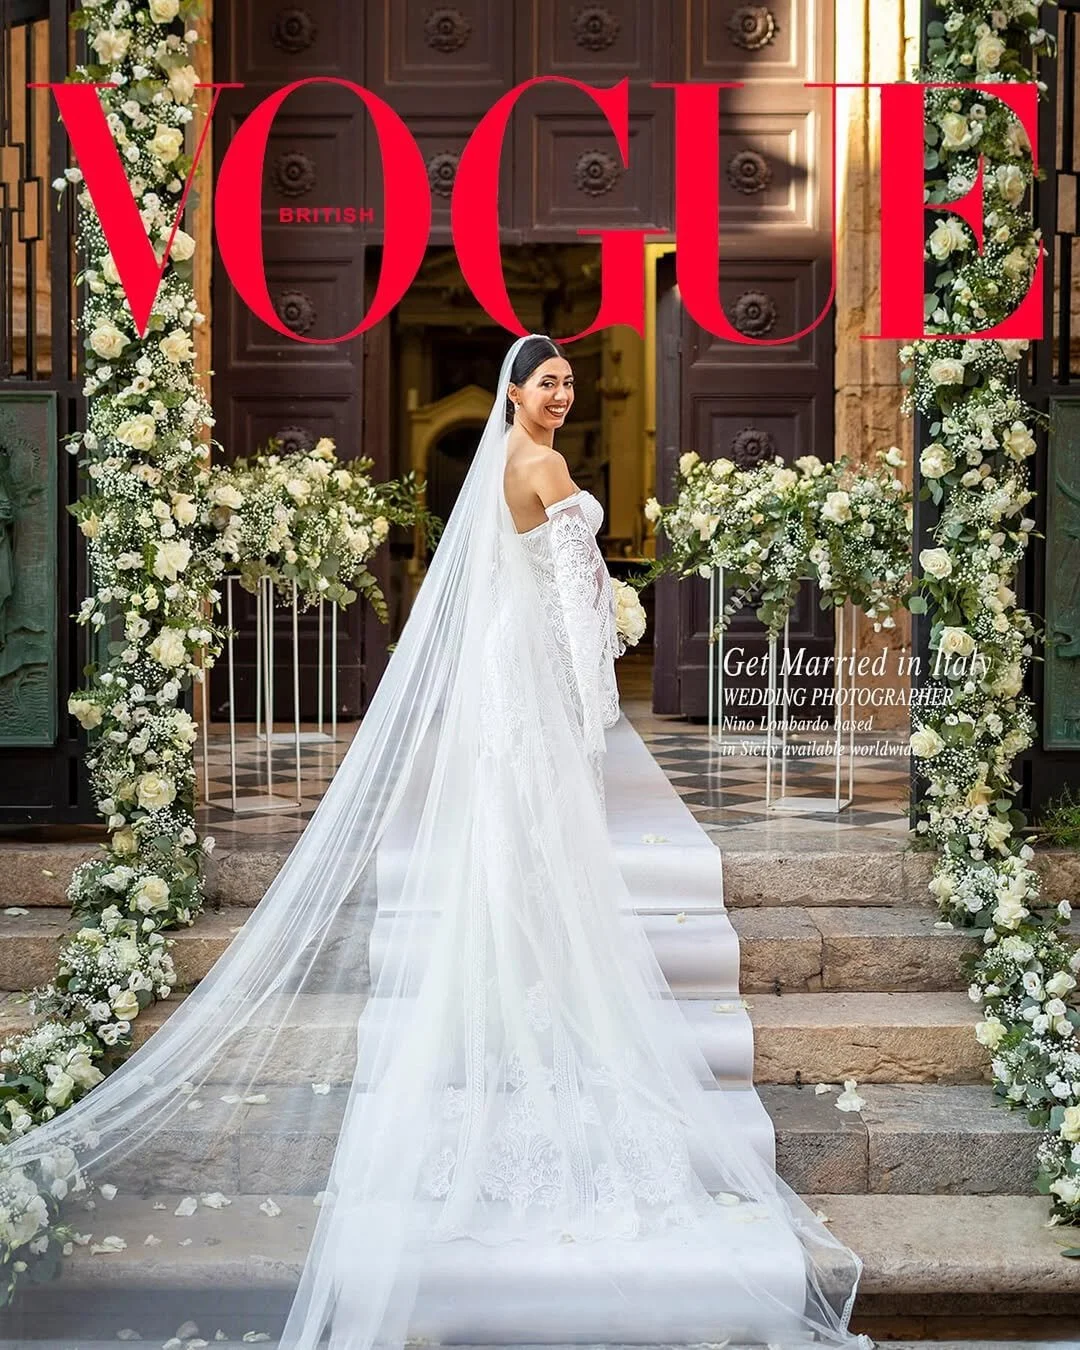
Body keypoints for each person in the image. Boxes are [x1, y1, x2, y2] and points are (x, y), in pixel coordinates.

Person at [0, 335, 866, 1349]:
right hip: (533, 661)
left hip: (510, 659)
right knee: (539, 824)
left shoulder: (504, 460)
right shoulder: (542, 465)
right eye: (548, 382)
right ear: (515, 390)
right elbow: (576, 598)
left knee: (515, 827)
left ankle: (513, 956)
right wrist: (595, 704)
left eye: (569, 383)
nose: (562, 394)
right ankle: (537, 967)